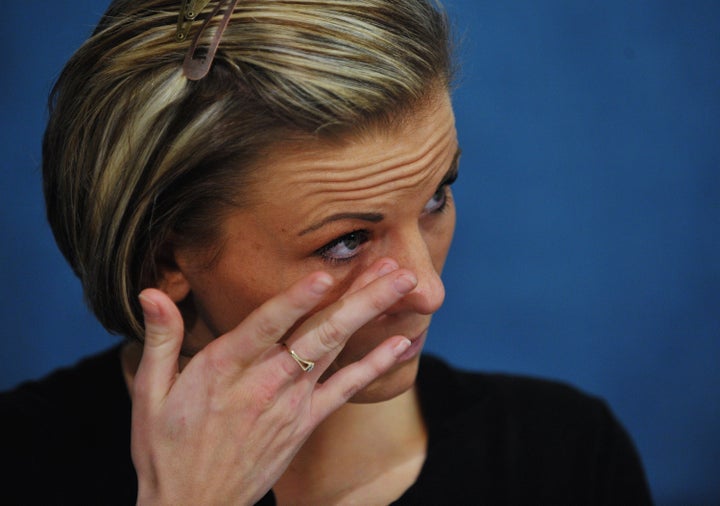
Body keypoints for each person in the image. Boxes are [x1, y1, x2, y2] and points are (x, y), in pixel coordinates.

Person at [1, 0, 653, 504]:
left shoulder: (562, 456)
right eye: (345, 242)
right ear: (164, 259)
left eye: (436, 198)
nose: (427, 292)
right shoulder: (24, 462)